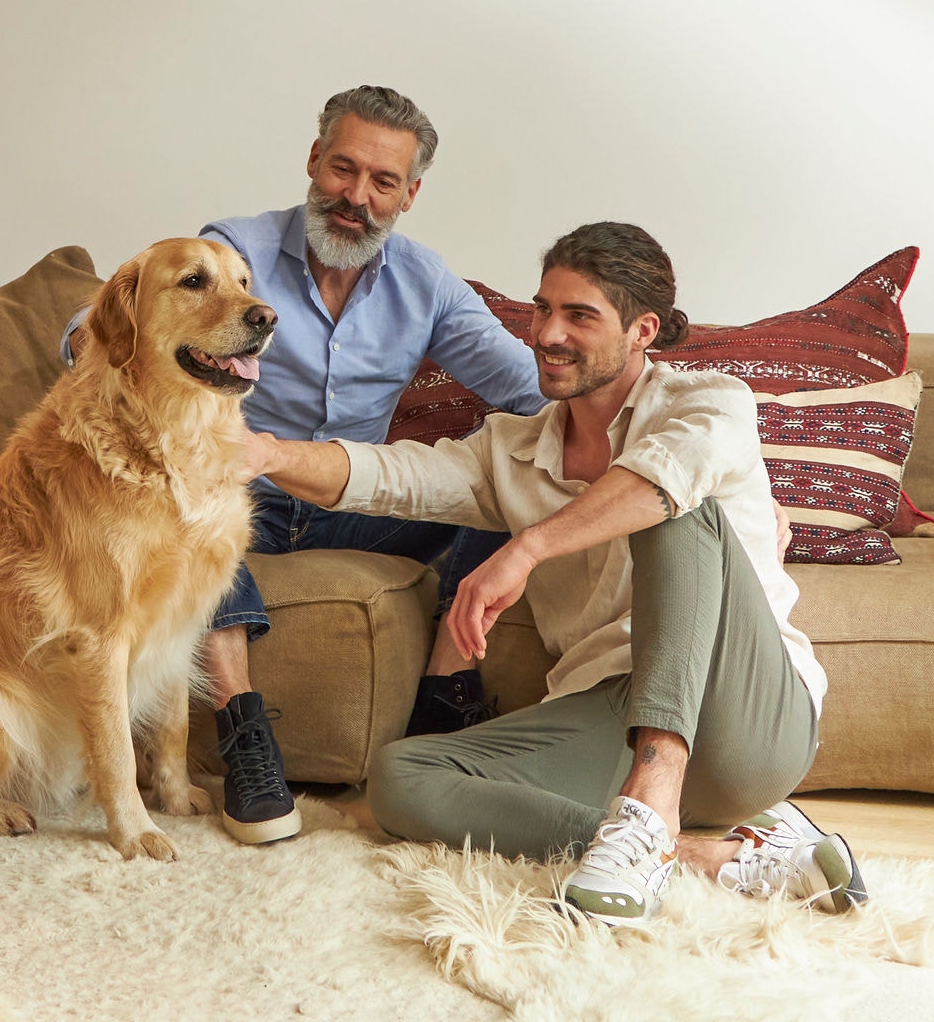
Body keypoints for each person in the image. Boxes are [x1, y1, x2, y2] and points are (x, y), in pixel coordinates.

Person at [240, 221, 867, 924]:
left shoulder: (710, 401)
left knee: (672, 507)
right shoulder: (511, 449)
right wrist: (265, 453)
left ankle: (653, 804)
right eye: (542, 309)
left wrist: (528, 547)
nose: (546, 333)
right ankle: (701, 855)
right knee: (402, 779)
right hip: (610, 712)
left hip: (745, 715)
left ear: (642, 330)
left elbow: (662, 481)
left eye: (578, 315)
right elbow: (390, 476)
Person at [66, 86, 545, 845]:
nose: (356, 197)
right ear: (314, 160)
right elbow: (111, 322)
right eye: (343, 170)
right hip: (234, 490)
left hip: (348, 499)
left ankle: (440, 706)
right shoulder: (238, 250)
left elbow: (532, 387)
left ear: (409, 194)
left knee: (501, 495)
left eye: (383, 182)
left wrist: (671, 439)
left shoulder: (425, 282)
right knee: (191, 519)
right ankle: (242, 730)